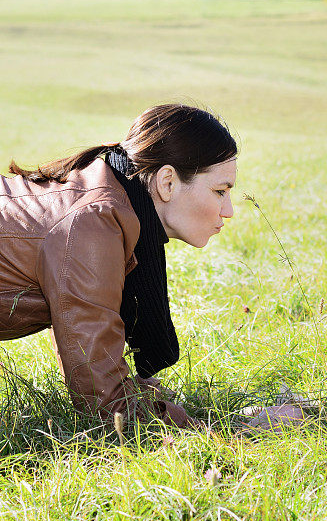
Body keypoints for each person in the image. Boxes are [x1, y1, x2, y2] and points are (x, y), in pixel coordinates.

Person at [0, 104, 237, 428]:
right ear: (167, 182)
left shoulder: (114, 202)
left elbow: (86, 349)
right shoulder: (92, 224)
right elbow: (106, 407)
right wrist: (233, 427)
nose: (229, 211)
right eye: (220, 191)